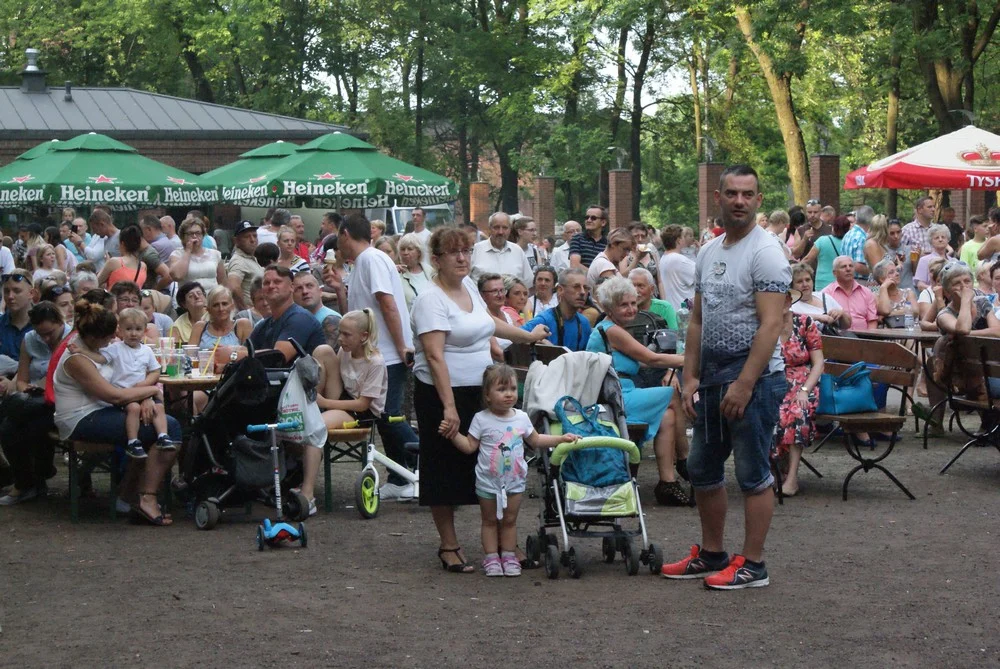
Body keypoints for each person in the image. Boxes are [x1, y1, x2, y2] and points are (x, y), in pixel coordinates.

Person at [663, 164, 789, 590]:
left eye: (747, 194)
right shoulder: (709, 251)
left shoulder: (766, 251)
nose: (739, 201)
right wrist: (690, 375)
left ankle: (753, 565)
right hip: (713, 379)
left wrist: (745, 383)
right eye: (732, 193)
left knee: (753, 472)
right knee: (701, 467)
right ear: (718, 197)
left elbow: (771, 325)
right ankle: (713, 553)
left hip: (753, 379)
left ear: (758, 199)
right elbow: (696, 320)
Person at [412, 227, 550, 573]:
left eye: (467, 251)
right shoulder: (430, 299)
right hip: (442, 394)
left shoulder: (470, 287)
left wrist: (527, 335)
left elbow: (488, 324)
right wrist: (448, 407)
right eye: (453, 252)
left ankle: (506, 544)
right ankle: (449, 545)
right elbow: (435, 356)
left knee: (496, 464)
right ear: (437, 259)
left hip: (481, 390)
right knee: (444, 466)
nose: (462, 258)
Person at [52, 300, 181, 525]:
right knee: (170, 426)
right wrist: (150, 391)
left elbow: (128, 381)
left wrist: (145, 398)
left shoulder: (97, 348)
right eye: (110, 337)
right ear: (94, 337)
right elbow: (113, 395)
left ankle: (128, 494)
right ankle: (145, 498)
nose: (114, 340)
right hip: (82, 417)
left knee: (159, 426)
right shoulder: (78, 358)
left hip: (107, 409)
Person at [446, 363, 578, 577]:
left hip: (515, 481)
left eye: (513, 389)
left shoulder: (522, 418)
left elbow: (535, 440)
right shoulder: (481, 419)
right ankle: (491, 558)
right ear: (487, 395)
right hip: (488, 482)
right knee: (489, 521)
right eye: (501, 389)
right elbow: (470, 446)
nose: (509, 395)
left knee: (509, 521)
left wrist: (561, 438)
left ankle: (508, 556)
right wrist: (453, 435)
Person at [335, 214, 421, 500]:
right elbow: (358, 313)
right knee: (385, 418)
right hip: (378, 353)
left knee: (389, 416)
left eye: (338, 237)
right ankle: (400, 478)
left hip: (388, 354)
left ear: (345, 234)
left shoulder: (372, 259)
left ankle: (430, 464)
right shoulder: (362, 263)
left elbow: (388, 303)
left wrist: (400, 347)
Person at [586, 276, 689, 505]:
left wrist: (673, 359)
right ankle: (684, 459)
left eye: (633, 303)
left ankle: (667, 482)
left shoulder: (613, 329)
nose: (631, 309)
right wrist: (690, 359)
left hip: (619, 393)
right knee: (672, 394)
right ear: (609, 307)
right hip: (615, 397)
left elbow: (640, 361)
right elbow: (650, 358)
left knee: (668, 415)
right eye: (624, 304)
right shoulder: (611, 330)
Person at [0, 302, 70, 505]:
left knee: (16, 423)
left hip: (62, 401)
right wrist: (28, 388)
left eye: (50, 333)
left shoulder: (72, 339)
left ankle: (27, 482)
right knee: (11, 426)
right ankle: (32, 478)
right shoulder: (30, 340)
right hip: (36, 400)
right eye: (42, 334)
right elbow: (21, 380)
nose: (46, 339)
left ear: (59, 323)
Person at [95, 308, 174, 459]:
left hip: (142, 391)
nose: (133, 333)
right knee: (133, 408)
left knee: (158, 407)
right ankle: (133, 441)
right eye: (129, 329)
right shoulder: (115, 349)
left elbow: (155, 372)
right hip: (124, 393)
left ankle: (163, 436)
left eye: (138, 329)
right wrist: (81, 352)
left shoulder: (147, 351)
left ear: (145, 331)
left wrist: (144, 385)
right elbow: (100, 359)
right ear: (120, 331)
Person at [775, 291, 824, 497]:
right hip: (775, 379)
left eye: (786, 297)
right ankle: (776, 469)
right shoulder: (765, 325)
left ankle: (792, 477)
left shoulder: (804, 322)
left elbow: (819, 363)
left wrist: (805, 390)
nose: (783, 302)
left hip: (805, 380)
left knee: (797, 411)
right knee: (770, 410)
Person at [317, 309, 387, 432]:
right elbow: (334, 376)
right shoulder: (345, 350)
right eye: (340, 333)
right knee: (323, 350)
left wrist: (325, 403)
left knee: (315, 426)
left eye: (346, 334)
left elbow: (363, 404)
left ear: (364, 336)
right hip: (343, 398)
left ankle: (318, 406)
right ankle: (312, 401)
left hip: (362, 413)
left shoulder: (375, 362)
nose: (340, 339)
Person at [248, 265, 325, 360]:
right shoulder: (264, 324)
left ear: (291, 287)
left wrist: (234, 355)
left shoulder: (300, 318)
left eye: (277, 282)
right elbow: (245, 349)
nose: (271, 286)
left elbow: (277, 357)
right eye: (266, 283)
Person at [521, 268, 591, 351]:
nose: (583, 292)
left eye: (586, 288)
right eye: (576, 287)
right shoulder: (545, 319)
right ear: (560, 290)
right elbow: (516, 339)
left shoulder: (584, 322)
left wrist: (554, 349)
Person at [470, 212, 533, 285]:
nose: (500, 232)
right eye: (496, 227)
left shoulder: (517, 251)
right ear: (489, 228)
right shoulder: (476, 250)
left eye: (505, 228)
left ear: (510, 229)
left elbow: (528, 283)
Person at [787, 263, 851, 332]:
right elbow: (790, 321)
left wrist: (841, 314)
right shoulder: (790, 304)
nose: (805, 284)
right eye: (799, 281)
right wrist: (818, 317)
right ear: (792, 285)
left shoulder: (824, 297)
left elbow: (847, 325)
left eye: (808, 280)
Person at [821, 256, 878, 331]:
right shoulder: (826, 294)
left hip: (864, 338)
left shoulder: (866, 292)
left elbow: (872, 320)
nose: (848, 269)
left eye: (851, 266)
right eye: (843, 267)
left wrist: (870, 339)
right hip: (838, 338)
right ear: (835, 273)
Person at [169, 217, 225, 292]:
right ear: (183, 236)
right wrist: (188, 250)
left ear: (203, 235)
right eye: (190, 234)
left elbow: (223, 282)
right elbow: (177, 276)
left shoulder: (215, 254)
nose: (195, 236)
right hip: (189, 299)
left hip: (212, 299)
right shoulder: (177, 254)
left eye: (198, 233)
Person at [0, 269, 35, 387]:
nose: (10, 296)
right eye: (6, 291)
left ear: (31, 293)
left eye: (17, 291)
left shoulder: (43, 326)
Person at [292, 270, 341, 347]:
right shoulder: (295, 320)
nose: (305, 291)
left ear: (320, 291)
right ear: (292, 296)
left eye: (309, 286)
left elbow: (326, 356)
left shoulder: (331, 319)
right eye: (299, 288)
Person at [803, 215, 850, 290]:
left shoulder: (822, 240)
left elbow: (807, 259)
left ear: (834, 227)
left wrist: (795, 270)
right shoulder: (849, 243)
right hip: (843, 281)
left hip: (823, 282)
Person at [226, 220, 263, 311]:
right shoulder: (238, 261)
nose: (252, 240)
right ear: (236, 241)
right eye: (247, 237)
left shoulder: (250, 258)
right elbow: (234, 287)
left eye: (254, 236)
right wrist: (246, 311)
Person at [658, 224, 696, 311]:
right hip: (683, 312)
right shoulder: (680, 260)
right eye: (683, 236)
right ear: (678, 240)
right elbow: (703, 276)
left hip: (672, 310)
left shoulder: (663, 258)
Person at [98, 224, 148, 290]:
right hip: (134, 299)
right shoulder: (143, 266)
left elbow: (96, 282)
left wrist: (107, 263)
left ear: (122, 243)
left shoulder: (114, 262)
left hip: (115, 300)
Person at [873, 258, 919, 325]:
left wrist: (889, 315)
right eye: (891, 272)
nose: (897, 274)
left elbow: (914, 311)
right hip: (887, 334)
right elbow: (885, 311)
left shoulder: (908, 293)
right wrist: (883, 287)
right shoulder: (876, 297)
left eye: (897, 270)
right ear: (882, 279)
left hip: (909, 331)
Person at [913, 223, 953, 292]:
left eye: (943, 237)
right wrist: (937, 290)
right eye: (936, 238)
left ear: (948, 240)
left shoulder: (954, 261)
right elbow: (920, 285)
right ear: (931, 242)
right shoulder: (924, 260)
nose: (940, 240)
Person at [397, 232, 431, 312]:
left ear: (419, 252)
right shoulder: (397, 274)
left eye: (410, 249)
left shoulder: (430, 271)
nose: (405, 252)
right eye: (402, 249)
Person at [842, 205, 874, 281]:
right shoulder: (862, 238)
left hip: (848, 279)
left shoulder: (848, 234)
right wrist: (875, 272)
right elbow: (858, 266)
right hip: (860, 281)